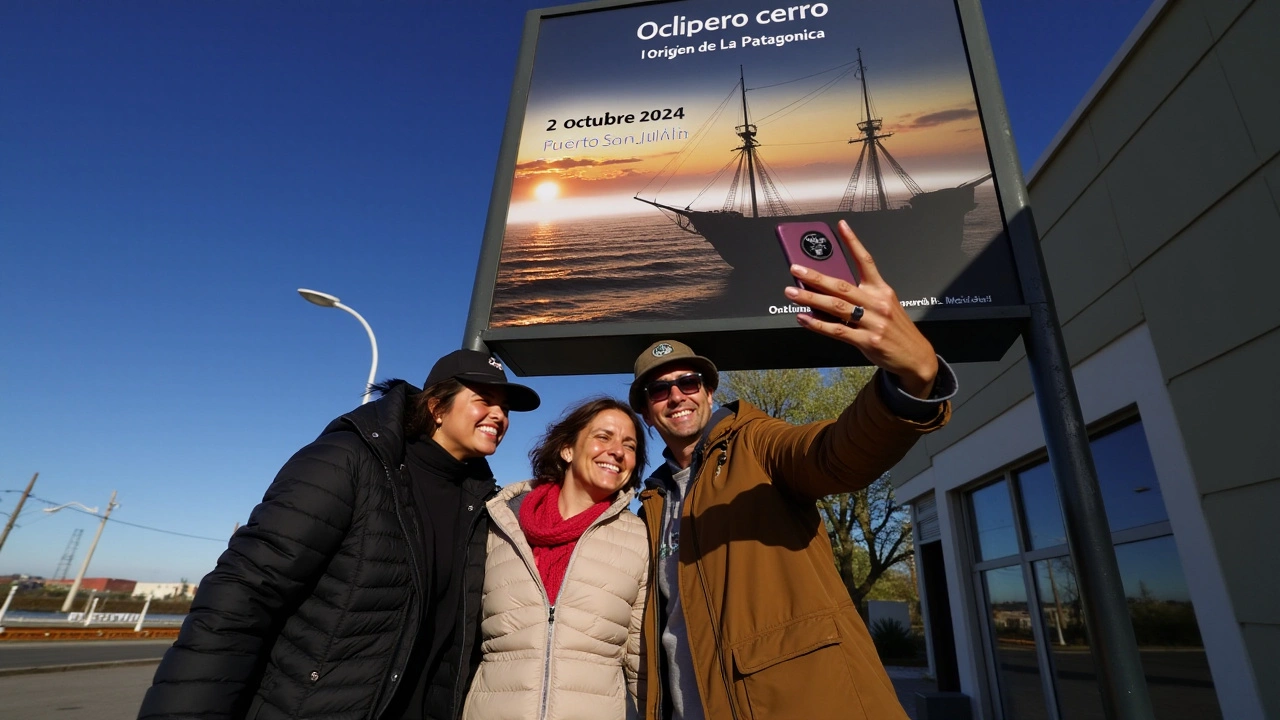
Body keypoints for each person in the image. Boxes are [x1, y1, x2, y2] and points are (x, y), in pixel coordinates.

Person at [631, 220, 957, 720]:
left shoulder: (757, 445)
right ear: (648, 409)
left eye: (689, 381)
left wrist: (910, 380)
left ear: (709, 391)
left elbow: (831, 454)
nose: (676, 394)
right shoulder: (649, 504)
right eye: (658, 389)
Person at [138, 349, 541, 720]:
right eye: (484, 400)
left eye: (505, 408)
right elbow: (244, 594)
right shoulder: (348, 462)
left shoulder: (483, 506)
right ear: (437, 407)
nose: (499, 416)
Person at [462, 397, 650, 720]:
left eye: (629, 445)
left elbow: (639, 663)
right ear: (567, 450)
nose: (618, 451)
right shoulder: (500, 524)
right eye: (603, 437)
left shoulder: (639, 539)